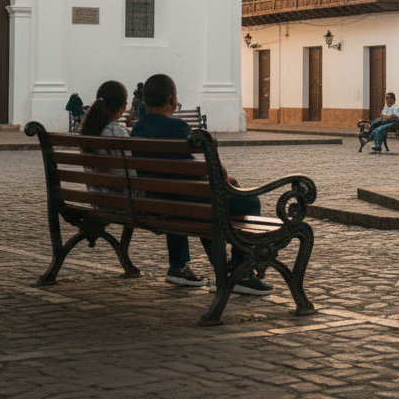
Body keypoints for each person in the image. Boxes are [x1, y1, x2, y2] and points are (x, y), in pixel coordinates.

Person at [131, 73, 272, 296]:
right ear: (172, 100)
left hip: (159, 201)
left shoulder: (137, 129)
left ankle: (178, 266)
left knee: (177, 197)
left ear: (145, 100)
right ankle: (241, 271)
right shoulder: (178, 127)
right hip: (189, 202)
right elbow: (209, 162)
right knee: (249, 201)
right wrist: (223, 178)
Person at [78, 80, 137, 212]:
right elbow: (131, 172)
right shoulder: (116, 132)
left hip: (98, 200)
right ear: (124, 105)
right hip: (125, 203)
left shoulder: (89, 130)